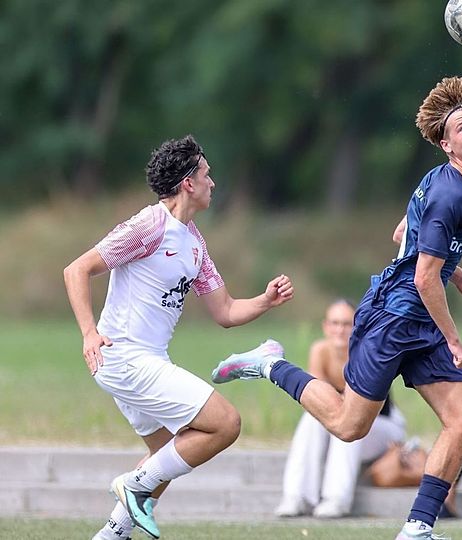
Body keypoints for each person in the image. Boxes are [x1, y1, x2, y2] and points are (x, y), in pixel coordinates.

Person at [211, 76, 462, 540]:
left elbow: (403, 235)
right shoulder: (452, 193)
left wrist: (459, 276)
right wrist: (453, 336)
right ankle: (269, 364)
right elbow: (424, 276)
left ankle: (418, 528)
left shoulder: (449, 181)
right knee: (349, 426)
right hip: (396, 316)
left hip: (420, 314)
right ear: (447, 145)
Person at [63, 135, 294, 540]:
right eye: (207, 174)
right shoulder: (149, 225)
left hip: (144, 359)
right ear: (188, 182)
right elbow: (76, 270)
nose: (213, 182)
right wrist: (88, 333)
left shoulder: (195, 242)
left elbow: (224, 311)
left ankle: (112, 533)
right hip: (124, 357)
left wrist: (265, 301)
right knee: (225, 424)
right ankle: (132, 486)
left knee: (170, 452)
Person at [274, 299, 407, 518]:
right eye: (334, 323)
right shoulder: (319, 350)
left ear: (357, 326)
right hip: (344, 422)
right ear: (326, 326)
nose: (339, 330)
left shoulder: (367, 351)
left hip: (382, 426)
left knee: (348, 418)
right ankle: (297, 496)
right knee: (313, 417)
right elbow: (314, 398)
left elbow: (357, 407)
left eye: (346, 324)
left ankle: (337, 499)